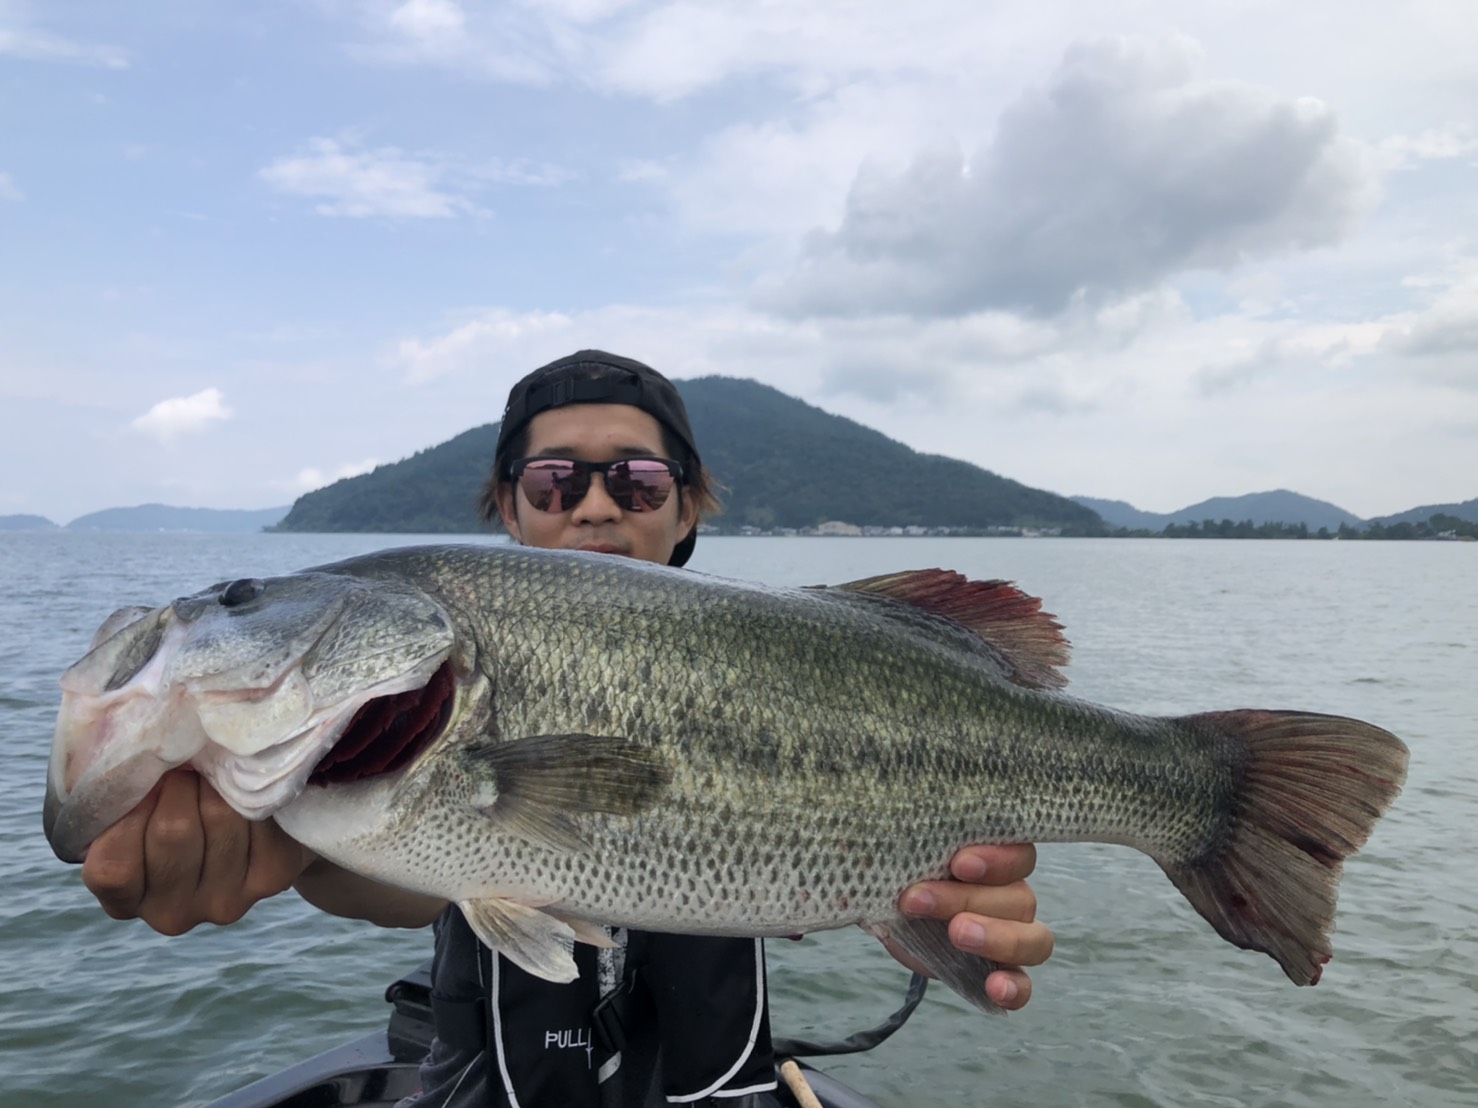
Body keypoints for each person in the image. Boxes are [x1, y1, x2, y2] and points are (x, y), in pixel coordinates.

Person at [81, 350, 1055, 1107]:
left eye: (635, 481)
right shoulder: (420, 698)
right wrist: (284, 855)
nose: (593, 504)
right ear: (507, 508)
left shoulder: (793, 663)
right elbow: (400, 882)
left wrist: (937, 901)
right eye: (553, 482)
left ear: (685, 510)